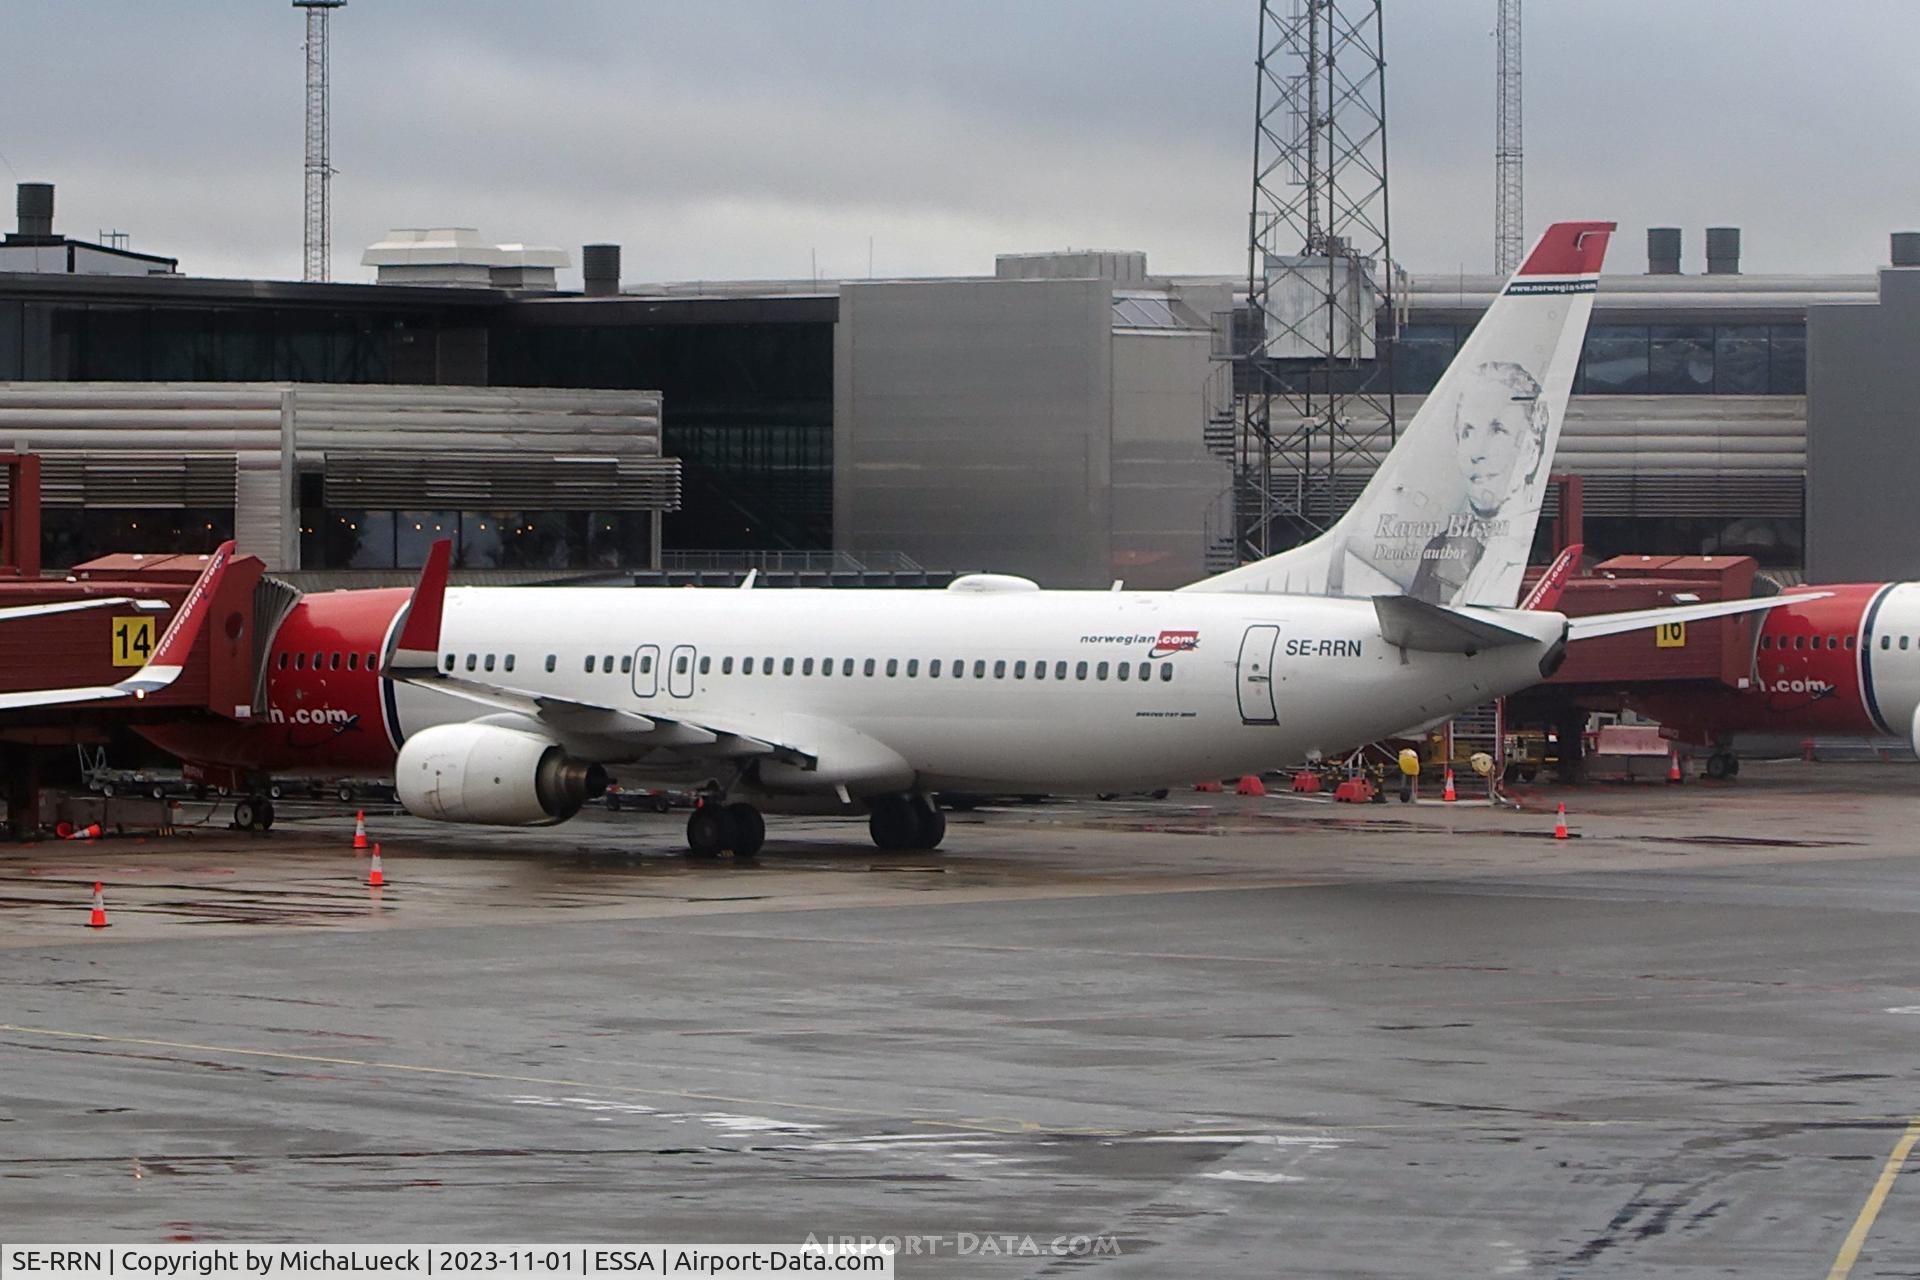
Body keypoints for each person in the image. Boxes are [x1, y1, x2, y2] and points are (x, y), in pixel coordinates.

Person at [1407, 360, 1550, 603]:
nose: (1476, 451)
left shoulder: (1537, 550)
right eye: (1467, 432)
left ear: (1531, 452)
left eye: (1497, 430)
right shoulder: (1441, 548)